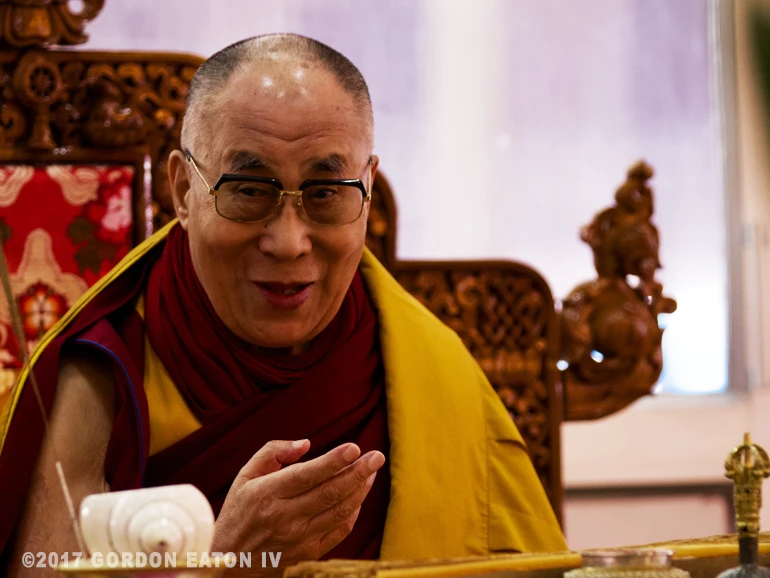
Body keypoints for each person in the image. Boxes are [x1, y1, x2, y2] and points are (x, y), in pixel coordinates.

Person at [0, 34, 566, 576]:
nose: (289, 241)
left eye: (325, 194)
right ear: (182, 191)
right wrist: (224, 559)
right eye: (248, 191)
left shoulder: (432, 373)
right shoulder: (106, 369)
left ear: (366, 188)